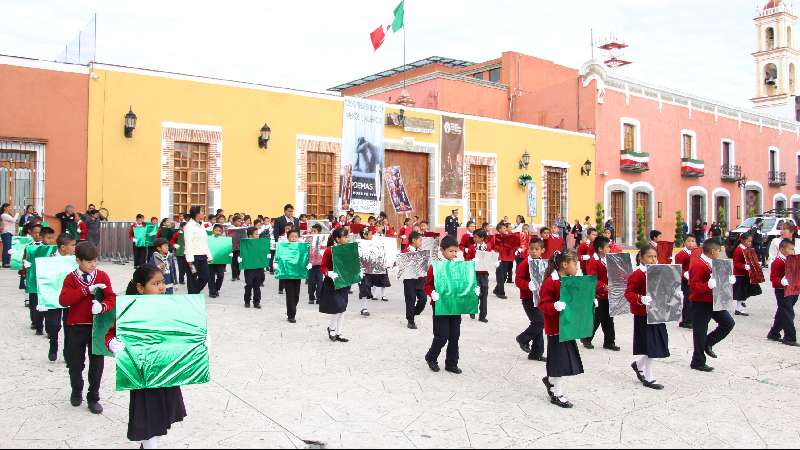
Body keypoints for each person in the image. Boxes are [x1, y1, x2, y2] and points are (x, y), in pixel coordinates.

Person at [106, 265, 188, 449]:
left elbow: (183, 333)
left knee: (161, 416)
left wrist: (199, 339)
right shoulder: (130, 311)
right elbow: (111, 334)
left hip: (166, 374)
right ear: (140, 288)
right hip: (142, 376)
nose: (162, 288)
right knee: (148, 417)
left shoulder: (171, 308)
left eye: (163, 283)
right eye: (156, 283)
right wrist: (112, 343)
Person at [58, 241, 116, 414]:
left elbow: (111, 298)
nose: (93, 264)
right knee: (75, 362)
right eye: (89, 261)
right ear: (78, 260)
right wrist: (86, 290)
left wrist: (102, 306)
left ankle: (94, 397)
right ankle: (76, 389)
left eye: (95, 261)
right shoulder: (70, 278)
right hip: (76, 327)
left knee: (97, 363)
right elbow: (64, 300)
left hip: (97, 328)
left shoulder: (102, 276)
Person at [539, 250, 584, 408]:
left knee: (564, 359)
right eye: (575, 264)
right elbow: (542, 304)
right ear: (564, 264)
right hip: (555, 328)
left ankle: (550, 381)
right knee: (559, 361)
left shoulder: (571, 280)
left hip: (568, 327)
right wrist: (553, 306)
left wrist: (589, 300)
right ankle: (557, 393)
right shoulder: (551, 281)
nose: (577, 267)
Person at [625, 246, 669, 390]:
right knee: (651, 347)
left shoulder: (659, 272)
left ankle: (638, 365)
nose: (653, 259)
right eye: (650, 256)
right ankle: (648, 377)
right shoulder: (637, 274)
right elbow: (628, 293)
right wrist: (640, 298)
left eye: (655, 256)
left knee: (656, 345)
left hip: (657, 313)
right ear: (641, 258)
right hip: (644, 315)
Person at [688, 239, 736, 372]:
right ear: (713, 251)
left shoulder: (714, 263)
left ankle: (708, 343)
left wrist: (729, 280)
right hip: (701, 302)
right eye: (719, 251)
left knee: (728, 323)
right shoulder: (699, 265)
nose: (720, 253)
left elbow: (720, 281)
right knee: (700, 332)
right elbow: (694, 286)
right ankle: (697, 361)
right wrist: (707, 286)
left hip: (715, 300)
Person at [424, 236, 468, 374]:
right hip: (440, 305)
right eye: (451, 251)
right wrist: (432, 293)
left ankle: (451, 363)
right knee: (442, 335)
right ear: (442, 250)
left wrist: (473, 290)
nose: (454, 254)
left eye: (456, 251)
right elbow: (427, 285)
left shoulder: (458, 265)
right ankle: (431, 357)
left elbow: (464, 283)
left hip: (455, 306)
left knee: (455, 336)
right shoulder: (435, 266)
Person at [582, 236, 620, 351]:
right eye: (608, 247)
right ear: (600, 249)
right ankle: (586, 338)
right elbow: (592, 279)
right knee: (596, 319)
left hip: (608, 295)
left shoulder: (607, 260)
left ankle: (609, 342)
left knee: (608, 319)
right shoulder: (593, 262)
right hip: (598, 295)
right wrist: (603, 286)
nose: (610, 249)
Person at [514, 237, 546, 362]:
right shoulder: (524, 263)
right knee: (539, 322)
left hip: (540, 298)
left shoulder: (543, 263)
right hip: (528, 298)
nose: (533, 251)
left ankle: (536, 353)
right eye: (531, 249)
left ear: (542, 250)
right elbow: (518, 280)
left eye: (536, 249)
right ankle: (523, 338)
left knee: (539, 323)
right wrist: (527, 285)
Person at [319, 227, 352, 343]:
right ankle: (332, 329)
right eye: (345, 237)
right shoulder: (329, 250)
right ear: (337, 239)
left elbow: (352, 264)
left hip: (344, 282)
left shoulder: (349, 249)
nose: (347, 239)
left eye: (347, 236)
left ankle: (339, 332)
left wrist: (358, 273)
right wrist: (329, 273)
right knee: (336, 308)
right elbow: (322, 266)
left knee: (342, 308)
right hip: (332, 282)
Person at [768, 239, 799, 347]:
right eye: (790, 249)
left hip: (793, 290)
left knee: (783, 312)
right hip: (782, 291)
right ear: (782, 249)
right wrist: (781, 281)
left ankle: (773, 333)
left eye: (793, 249)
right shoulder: (777, 262)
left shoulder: (792, 260)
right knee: (788, 313)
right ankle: (789, 338)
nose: (792, 251)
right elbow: (773, 278)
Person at [28, 226, 57, 335]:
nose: (51, 240)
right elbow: (28, 260)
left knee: (49, 307)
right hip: (36, 282)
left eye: (52, 238)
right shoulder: (34, 248)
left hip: (49, 283)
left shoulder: (55, 249)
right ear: (42, 238)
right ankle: (38, 326)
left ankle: (50, 330)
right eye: (48, 238)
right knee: (37, 305)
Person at [464, 229, 492, 323]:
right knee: (475, 293)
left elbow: (491, 258)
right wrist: (472, 261)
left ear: (482, 238)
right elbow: (467, 259)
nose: (474, 238)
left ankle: (483, 315)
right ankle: (472, 309)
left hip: (484, 274)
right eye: (473, 236)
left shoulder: (488, 247)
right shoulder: (472, 247)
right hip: (474, 274)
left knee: (484, 295)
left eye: (476, 237)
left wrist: (495, 262)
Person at [184, 206, 212, 295]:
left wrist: (209, 255)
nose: (204, 213)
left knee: (206, 277)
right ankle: (193, 297)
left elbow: (205, 242)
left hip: (202, 256)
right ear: (196, 214)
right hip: (193, 257)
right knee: (192, 279)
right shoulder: (189, 226)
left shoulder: (201, 225)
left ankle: (193, 294)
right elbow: (188, 243)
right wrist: (189, 260)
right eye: (202, 211)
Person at [732, 233, 762, 317]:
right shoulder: (738, 250)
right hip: (740, 275)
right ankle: (739, 308)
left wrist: (756, 263)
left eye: (750, 241)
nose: (750, 243)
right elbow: (736, 263)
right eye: (748, 241)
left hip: (747, 274)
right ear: (742, 240)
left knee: (746, 291)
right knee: (741, 292)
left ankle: (740, 306)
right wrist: (743, 266)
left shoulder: (748, 249)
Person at [280, 229, 305, 323]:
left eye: (296, 237)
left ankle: (291, 309)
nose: (294, 238)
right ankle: (291, 315)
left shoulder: (300, 247)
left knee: (296, 295)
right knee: (290, 295)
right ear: (288, 238)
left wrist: (307, 263)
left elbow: (304, 258)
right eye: (292, 237)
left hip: (297, 275)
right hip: (287, 274)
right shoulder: (284, 247)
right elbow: (280, 257)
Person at [675, 234, 698, 329]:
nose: (691, 243)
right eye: (689, 241)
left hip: (695, 280)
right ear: (684, 242)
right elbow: (678, 268)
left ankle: (690, 320)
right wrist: (685, 273)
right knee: (688, 300)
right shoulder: (681, 254)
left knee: (694, 300)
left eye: (693, 241)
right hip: (685, 280)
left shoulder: (697, 253)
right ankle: (687, 321)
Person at [240, 227, 265, 309]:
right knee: (249, 284)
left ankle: (256, 302)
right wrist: (240, 258)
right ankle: (247, 301)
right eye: (256, 234)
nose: (258, 235)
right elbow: (242, 252)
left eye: (258, 234)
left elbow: (263, 253)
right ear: (250, 236)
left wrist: (266, 255)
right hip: (249, 268)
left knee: (257, 286)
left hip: (259, 268)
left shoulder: (261, 243)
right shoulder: (245, 244)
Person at [492, 222, 518, 299]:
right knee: (500, 276)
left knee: (504, 276)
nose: (505, 229)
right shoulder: (495, 237)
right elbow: (492, 246)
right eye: (503, 228)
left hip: (507, 258)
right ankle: (501, 293)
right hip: (499, 259)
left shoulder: (508, 236)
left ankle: (496, 289)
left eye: (505, 228)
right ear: (499, 229)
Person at [207, 225, 227, 299]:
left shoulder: (223, 240)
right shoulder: (209, 239)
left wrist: (229, 253)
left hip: (220, 261)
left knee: (221, 275)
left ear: (221, 232)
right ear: (213, 231)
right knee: (211, 276)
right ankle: (212, 291)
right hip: (211, 260)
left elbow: (226, 249)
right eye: (216, 230)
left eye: (219, 231)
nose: (218, 232)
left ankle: (216, 289)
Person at [307, 224, 325, 305]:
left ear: (319, 232)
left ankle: (319, 297)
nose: (313, 232)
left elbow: (325, 251)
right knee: (311, 282)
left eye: (315, 231)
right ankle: (311, 296)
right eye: (312, 231)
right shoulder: (308, 239)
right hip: (311, 265)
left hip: (320, 265)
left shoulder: (323, 240)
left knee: (320, 282)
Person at [1, 203, 18, 268]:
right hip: (6, 233)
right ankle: (5, 263)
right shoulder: (4, 215)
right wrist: (17, 214)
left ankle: (7, 262)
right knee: (6, 248)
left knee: (9, 248)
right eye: (8, 207)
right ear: (5, 208)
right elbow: (13, 220)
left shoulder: (8, 215)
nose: (10, 208)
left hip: (10, 233)